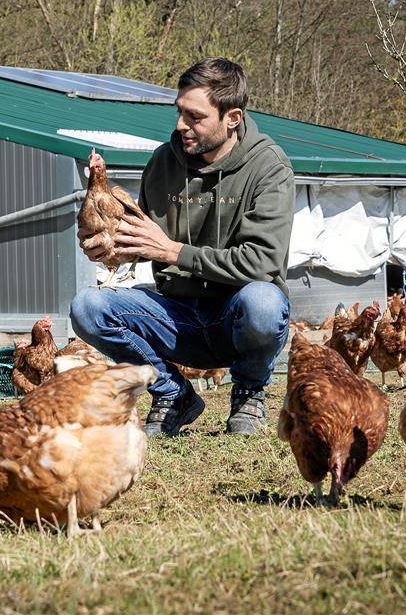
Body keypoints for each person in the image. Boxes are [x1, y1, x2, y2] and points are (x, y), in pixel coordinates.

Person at [71, 57, 294, 437]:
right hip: (177, 317)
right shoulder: (163, 162)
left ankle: (249, 390)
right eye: (179, 112)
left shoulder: (269, 168)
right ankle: (174, 394)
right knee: (87, 307)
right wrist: (116, 248)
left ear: (233, 118)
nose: (180, 126)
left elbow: (261, 262)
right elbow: (150, 240)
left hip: (234, 316)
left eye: (195, 117)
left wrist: (172, 252)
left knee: (264, 302)